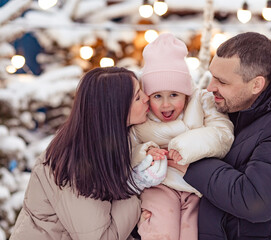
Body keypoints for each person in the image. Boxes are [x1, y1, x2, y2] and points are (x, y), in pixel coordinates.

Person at [172, 32, 271, 239]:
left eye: (222, 82)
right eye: (212, 76)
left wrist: (192, 165)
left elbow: (256, 200)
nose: (211, 88)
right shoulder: (239, 107)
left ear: (257, 85)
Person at [10, 67, 167, 240]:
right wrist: (134, 185)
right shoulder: (78, 163)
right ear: (115, 110)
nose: (146, 98)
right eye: (138, 97)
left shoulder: (105, 143)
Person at [130, 33, 234, 240]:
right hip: (159, 186)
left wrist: (185, 145)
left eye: (174, 95)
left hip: (196, 188)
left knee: (191, 234)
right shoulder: (142, 115)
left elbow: (223, 135)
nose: (166, 105)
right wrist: (145, 152)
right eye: (157, 96)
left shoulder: (203, 101)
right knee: (160, 233)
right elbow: (127, 149)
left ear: (186, 93)